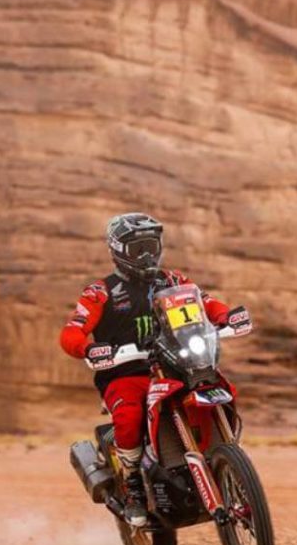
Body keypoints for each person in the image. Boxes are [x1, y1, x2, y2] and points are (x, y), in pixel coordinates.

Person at [58, 212, 231, 526]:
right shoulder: (102, 291)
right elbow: (73, 330)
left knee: (220, 385)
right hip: (125, 372)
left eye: (152, 246)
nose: (148, 255)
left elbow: (206, 302)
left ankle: (226, 457)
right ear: (119, 251)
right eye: (139, 249)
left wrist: (225, 316)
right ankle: (133, 483)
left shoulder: (173, 281)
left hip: (176, 363)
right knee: (129, 416)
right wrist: (88, 347)